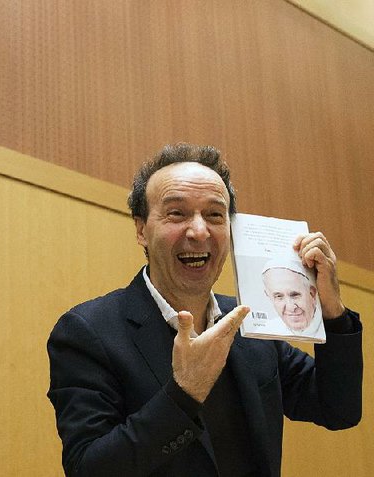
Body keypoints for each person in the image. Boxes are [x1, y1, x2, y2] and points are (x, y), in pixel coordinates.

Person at [47, 143, 362, 476]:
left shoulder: (249, 321)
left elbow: (337, 409)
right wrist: (184, 395)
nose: (198, 231)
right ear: (141, 229)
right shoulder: (88, 331)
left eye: (214, 215)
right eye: (177, 213)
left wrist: (333, 311)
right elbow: (88, 468)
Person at [262, 257, 319, 333]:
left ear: (312, 293)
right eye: (279, 296)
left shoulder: (330, 325)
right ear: (269, 297)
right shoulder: (267, 331)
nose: (290, 307)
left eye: (295, 295)